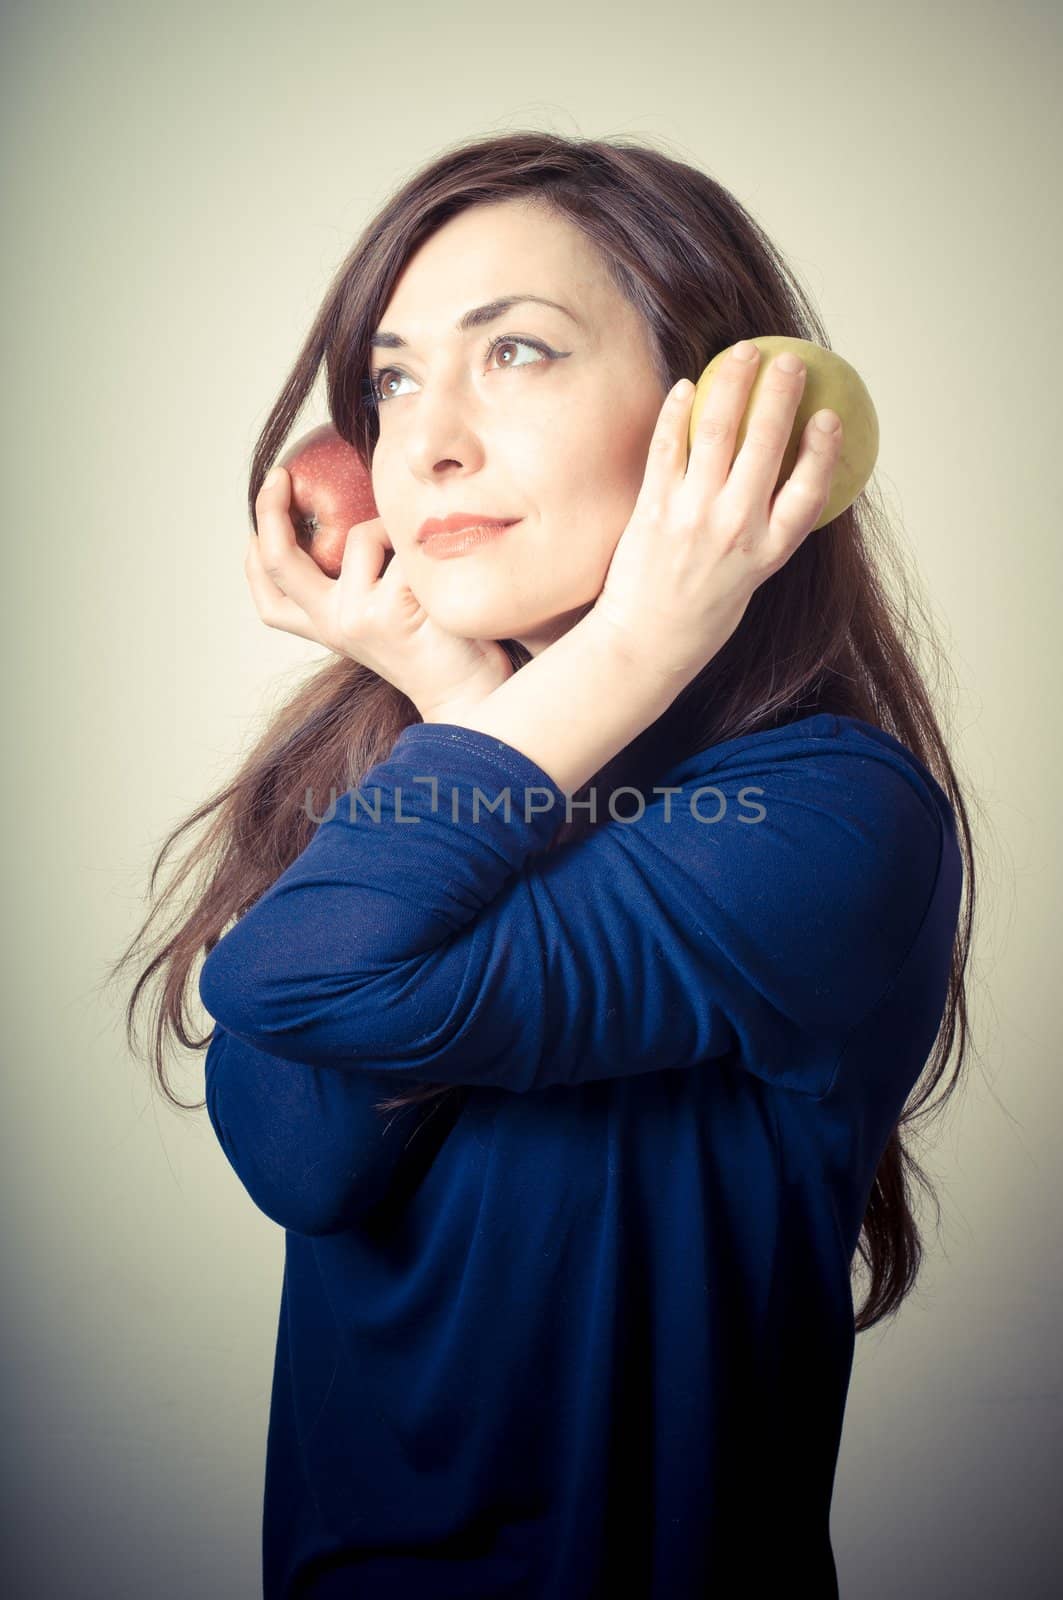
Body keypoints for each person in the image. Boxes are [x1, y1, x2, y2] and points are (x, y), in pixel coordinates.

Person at [109, 132, 979, 1598]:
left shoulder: (832, 815)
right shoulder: (398, 778)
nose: (429, 441)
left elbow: (309, 978)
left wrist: (641, 641)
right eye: (392, 380)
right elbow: (308, 1162)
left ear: (728, 422)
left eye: (515, 352)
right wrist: (463, 700)